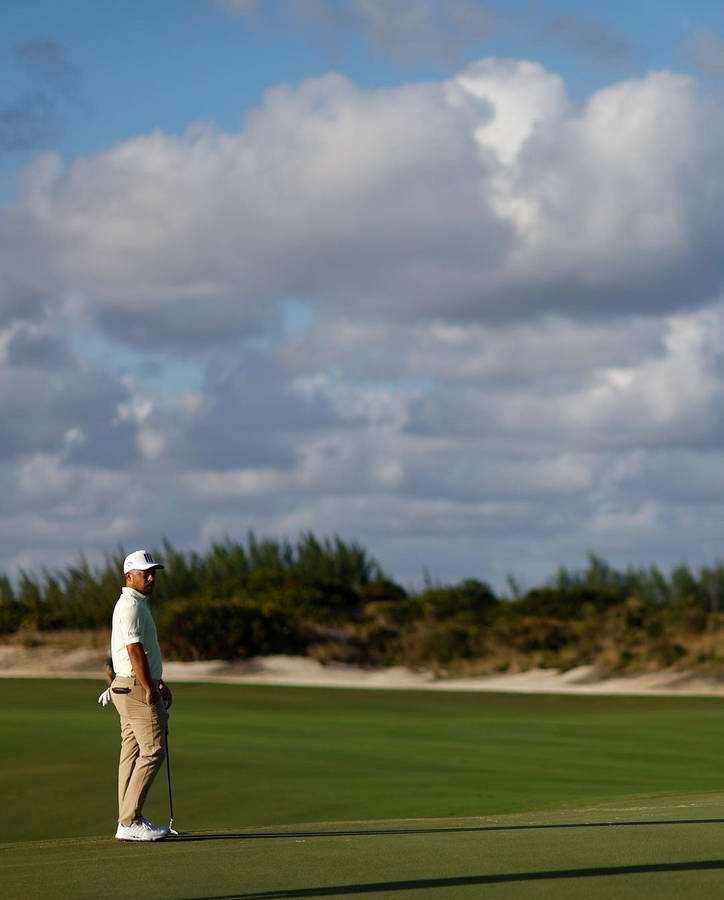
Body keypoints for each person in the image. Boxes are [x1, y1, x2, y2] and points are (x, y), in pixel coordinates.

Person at [109, 549, 173, 841]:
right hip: (135, 686)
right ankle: (130, 819)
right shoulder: (132, 605)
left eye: (153, 573)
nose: (151, 577)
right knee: (153, 750)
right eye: (145, 573)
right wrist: (150, 687)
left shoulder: (135, 603)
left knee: (132, 751)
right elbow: (134, 651)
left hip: (127, 685)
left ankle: (127, 820)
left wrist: (157, 681)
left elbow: (140, 651)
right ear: (129, 576)